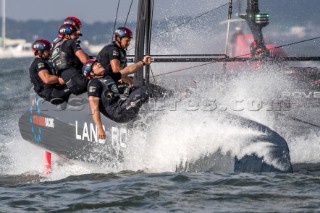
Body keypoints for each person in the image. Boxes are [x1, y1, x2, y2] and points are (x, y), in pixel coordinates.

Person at [83, 56, 151, 140]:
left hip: (123, 106)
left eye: (98, 62)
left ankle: (170, 97)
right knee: (144, 91)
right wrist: (100, 128)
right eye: (95, 65)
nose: (99, 64)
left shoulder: (107, 76)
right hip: (118, 112)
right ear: (92, 73)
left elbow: (128, 70)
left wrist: (143, 62)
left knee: (148, 87)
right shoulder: (94, 83)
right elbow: (94, 107)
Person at [50, 23, 89, 95]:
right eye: (75, 34)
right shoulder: (71, 42)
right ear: (67, 35)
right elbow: (86, 61)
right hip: (80, 82)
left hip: (71, 86)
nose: (77, 37)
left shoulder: (55, 48)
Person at [29, 39, 70, 104]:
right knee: (76, 85)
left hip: (49, 93)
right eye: (48, 50)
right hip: (53, 94)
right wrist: (60, 79)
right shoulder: (39, 62)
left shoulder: (37, 62)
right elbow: (47, 79)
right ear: (40, 52)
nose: (50, 52)